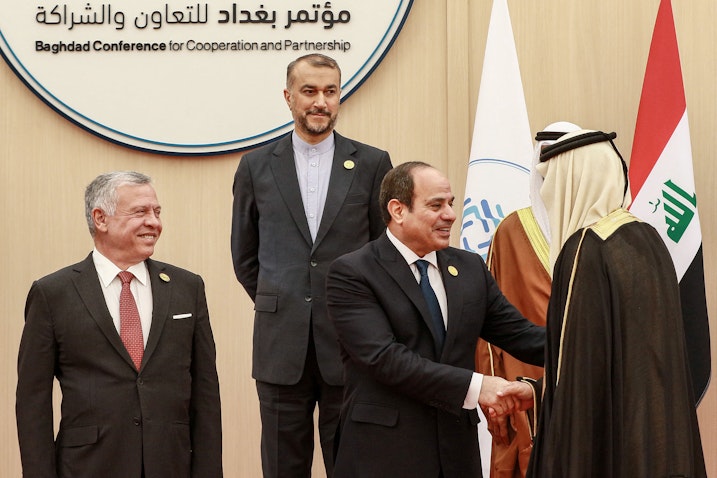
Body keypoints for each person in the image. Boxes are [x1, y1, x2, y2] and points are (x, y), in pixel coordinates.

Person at [500, 130, 706, 477]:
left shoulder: (586, 248)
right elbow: (622, 361)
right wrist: (536, 392)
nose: (546, 191)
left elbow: (579, 376)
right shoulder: (646, 237)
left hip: (611, 450)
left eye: (551, 179)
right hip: (653, 442)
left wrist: (540, 397)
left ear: (575, 180)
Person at [325, 161, 546, 478]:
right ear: (398, 210)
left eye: (451, 204)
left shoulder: (469, 268)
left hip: (456, 453)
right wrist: (477, 386)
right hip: (384, 454)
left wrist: (590, 342)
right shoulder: (354, 273)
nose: (451, 215)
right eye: (436, 205)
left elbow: (523, 337)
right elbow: (386, 359)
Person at [231, 53, 392, 477]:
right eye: (309, 91)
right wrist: (283, 300)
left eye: (330, 91)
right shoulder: (256, 165)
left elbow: (384, 253)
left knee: (354, 466)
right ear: (288, 97)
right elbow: (245, 256)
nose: (320, 101)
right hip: (280, 347)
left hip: (351, 346)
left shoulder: (374, 164)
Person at [16, 171, 223, 478]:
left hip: (170, 465)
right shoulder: (52, 294)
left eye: (157, 212)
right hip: (88, 467)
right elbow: (32, 403)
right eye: (140, 212)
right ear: (101, 219)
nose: (154, 222)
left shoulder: (187, 288)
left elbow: (206, 395)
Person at [475, 122, 580, 478]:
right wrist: (495, 394)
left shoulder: (605, 233)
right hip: (524, 391)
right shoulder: (511, 231)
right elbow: (487, 328)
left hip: (590, 379)